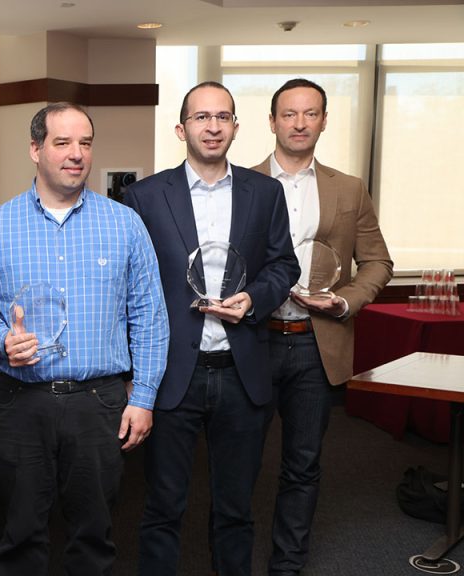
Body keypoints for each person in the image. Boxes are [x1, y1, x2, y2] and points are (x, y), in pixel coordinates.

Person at [0, 102, 169, 576]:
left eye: (85, 143)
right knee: (20, 535)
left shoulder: (124, 225)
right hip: (21, 403)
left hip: (97, 404)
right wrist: (2, 340)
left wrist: (143, 397)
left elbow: (149, 315)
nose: (76, 154)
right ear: (36, 149)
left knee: (94, 535)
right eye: (62, 143)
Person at [124, 81, 300, 576]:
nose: (213, 126)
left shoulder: (264, 192)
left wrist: (256, 300)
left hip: (241, 370)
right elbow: (130, 283)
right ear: (182, 128)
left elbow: (285, 266)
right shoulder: (144, 196)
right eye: (202, 117)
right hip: (173, 372)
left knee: (236, 508)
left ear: (236, 127)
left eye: (223, 117)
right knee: (162, 507)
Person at [252, 78, 393, 576]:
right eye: (289, 114)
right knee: (240, 463)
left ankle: (286, 565)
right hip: (252, 343)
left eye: (311, 113)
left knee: (303, 464)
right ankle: (231, 558)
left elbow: (377, 262)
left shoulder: (348, 188)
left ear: (325, 121)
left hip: (316, 345)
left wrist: (345, 300)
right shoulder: (240, 182)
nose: (299, 123)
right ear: (272, 122)